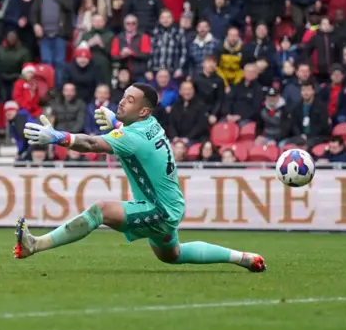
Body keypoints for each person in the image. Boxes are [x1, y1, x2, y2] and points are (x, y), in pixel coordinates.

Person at [16, 83, 266, 272]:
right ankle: (243, 258)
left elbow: (91, 143)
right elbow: (132, 129)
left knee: (99, 211)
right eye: (123, 97)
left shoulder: (132, 137)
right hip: (169, 206)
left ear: (144, 110)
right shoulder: (151, 123)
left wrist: (58, 137)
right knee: (172, 255)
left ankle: (34, 244)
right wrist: (116, 120)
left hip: (159, 210)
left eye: (130, 100)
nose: (122, 102)